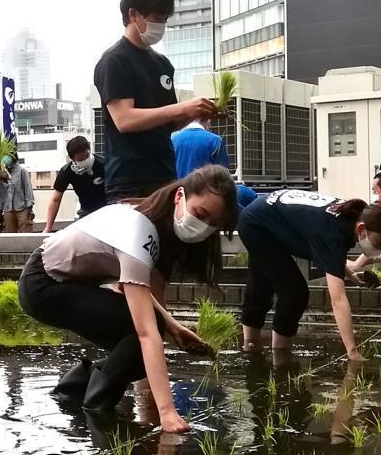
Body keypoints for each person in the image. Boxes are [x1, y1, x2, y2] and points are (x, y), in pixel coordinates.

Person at [18, 165, 237, 431]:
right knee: (143, 337)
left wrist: (174, 327)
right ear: (180, 196)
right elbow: (146, 332)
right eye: (201, 214)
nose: (204, 227)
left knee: (144, 341)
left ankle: (72, 391)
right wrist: (167, 413)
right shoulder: (139, 232)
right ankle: (97, 411)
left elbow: (133, 287)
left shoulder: (149, 223)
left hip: (64, 283)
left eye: (214, 224)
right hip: (44, 284)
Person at [239, 190, 381, 360]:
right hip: (256, 225)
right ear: (362, 229)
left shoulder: (349, 216)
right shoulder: (333, 231)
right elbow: (338, 299)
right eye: (379, 243)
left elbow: (331, 256)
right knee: (294, 293)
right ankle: (279, 358)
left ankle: (253, 351)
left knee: (262, 284)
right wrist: (352, 351)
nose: (380, 250)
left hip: (266, 213)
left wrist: (350, 275)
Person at [93, 0, 216, 201]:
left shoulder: (162, 64)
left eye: (165, 20)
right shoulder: (115, 60)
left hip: (165, 174)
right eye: (156, 18)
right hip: (129, 179)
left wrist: (193, 113)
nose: (161, 26)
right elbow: (124, 120)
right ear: (133, 15)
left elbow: (167, 123)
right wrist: (181, 108)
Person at [43, 135, 107, 232]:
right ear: (72, 159)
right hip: (86, 213)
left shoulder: (104, 165)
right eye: (81, 159)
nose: (85, 160)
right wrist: (48, 227)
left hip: (107, 211)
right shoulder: (66, 171)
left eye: (87, 156)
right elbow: (55, 199)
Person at [171, 114, 230, 178]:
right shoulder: (215, 140)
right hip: (204, 186)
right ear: (208, 121)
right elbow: (223, 172)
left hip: (179, 186)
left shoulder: (173, 139)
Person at [0, 153, 34, 232]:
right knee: (9, 235)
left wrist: (29, 208)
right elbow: (0, 193)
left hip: (22, 208)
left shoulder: (22, 171)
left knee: (25, 233)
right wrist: (0, 210)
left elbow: (28, 189)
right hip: (8, 209)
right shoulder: (2, 173)